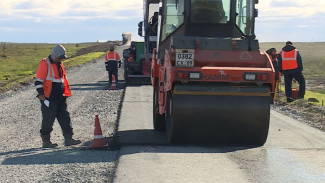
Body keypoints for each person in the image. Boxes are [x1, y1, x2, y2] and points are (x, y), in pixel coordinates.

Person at [35, 44, 81, 148]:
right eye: (60, 57)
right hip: (48, 98)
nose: (61, 59)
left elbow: (61, 80)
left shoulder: (59, 63)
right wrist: (41, 95)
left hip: (60, 97)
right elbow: (38, 81)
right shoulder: (44, 64)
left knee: (65, 118)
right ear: (56, 54)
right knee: (48, 120)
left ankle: (69, 139)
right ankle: (46, 142)